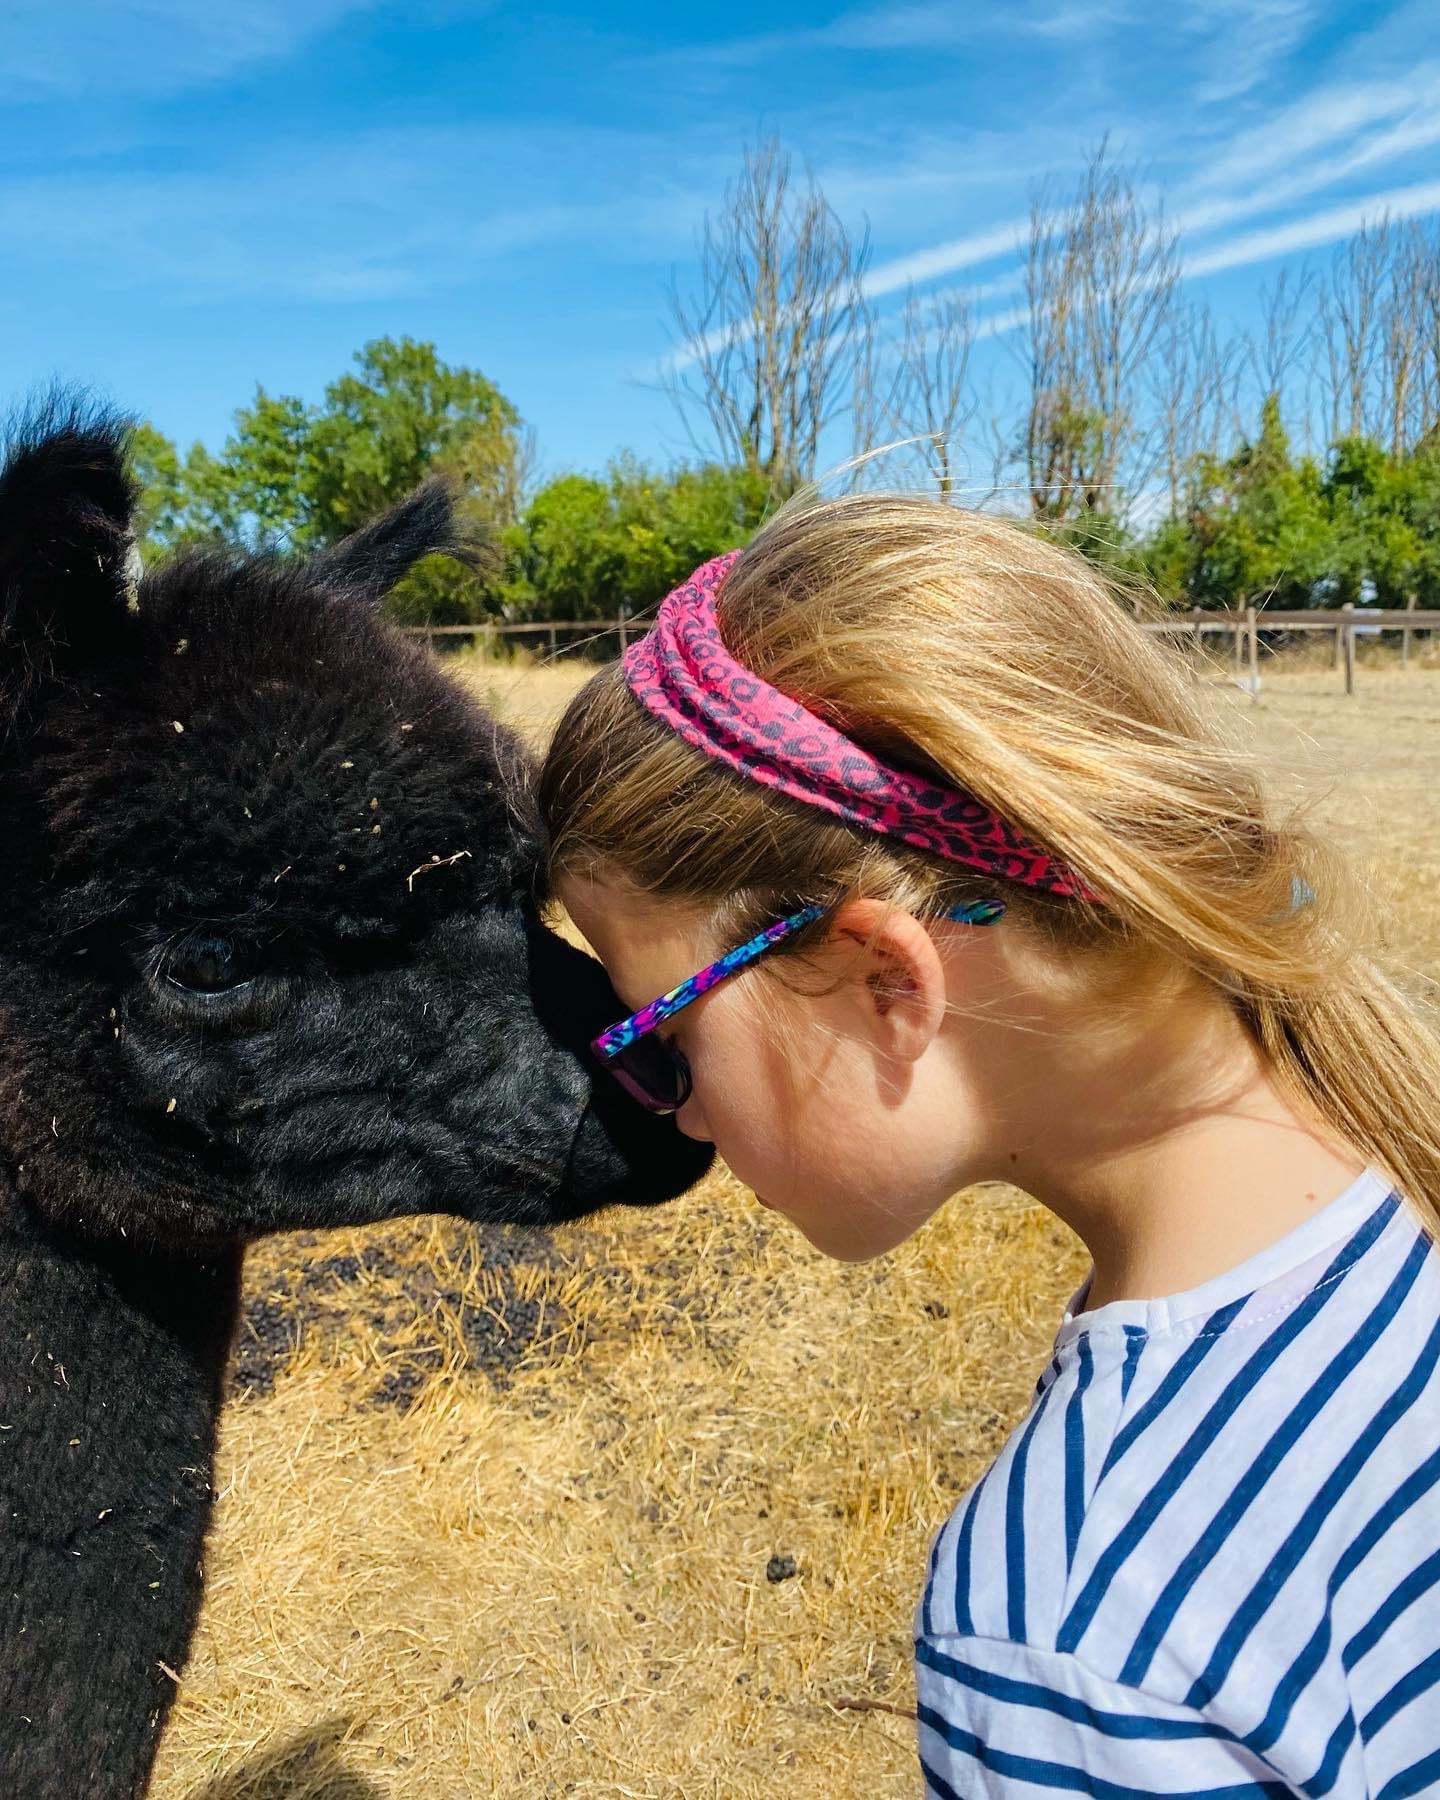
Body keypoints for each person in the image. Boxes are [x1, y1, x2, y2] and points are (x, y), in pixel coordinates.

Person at [536, 491, 1440, 1798]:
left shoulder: (1072, 1619)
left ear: (887, 984)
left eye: (661, 1042)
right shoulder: (1397, 1182)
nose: (675, 1114)